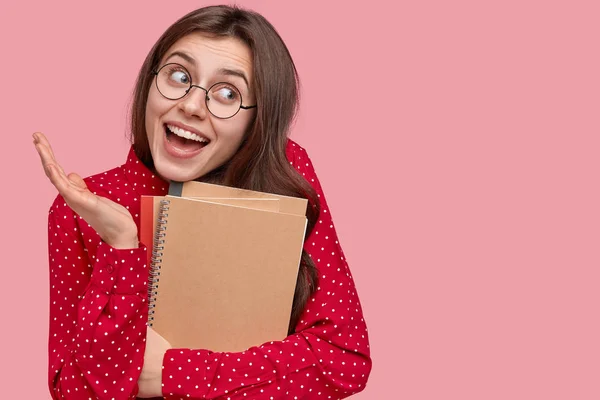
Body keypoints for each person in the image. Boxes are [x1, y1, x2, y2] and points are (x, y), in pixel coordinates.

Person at [34, 5, 371, 399]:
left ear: (255, 120)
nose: (192, 106)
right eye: (179, 76)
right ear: (149, 83)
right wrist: (122, 246)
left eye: (228, 93)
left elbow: (343, 360)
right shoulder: (84, 208)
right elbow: (73, 391)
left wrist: (172, 373)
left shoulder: (285, 172)